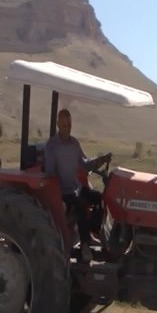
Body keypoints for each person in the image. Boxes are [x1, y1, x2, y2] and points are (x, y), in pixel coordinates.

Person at [43, 109, 112, 262]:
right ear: (58, 125)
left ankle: (95, 232)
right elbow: (49, 173)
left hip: (75, 188)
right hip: (62, 192)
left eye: (69, 126)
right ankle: (85, 245)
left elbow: (84, 164)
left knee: (100, 198)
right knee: (80, 205)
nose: (66, 129)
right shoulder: (52, 146)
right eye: (63, 126)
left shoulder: (74, 143)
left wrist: (101, 159)